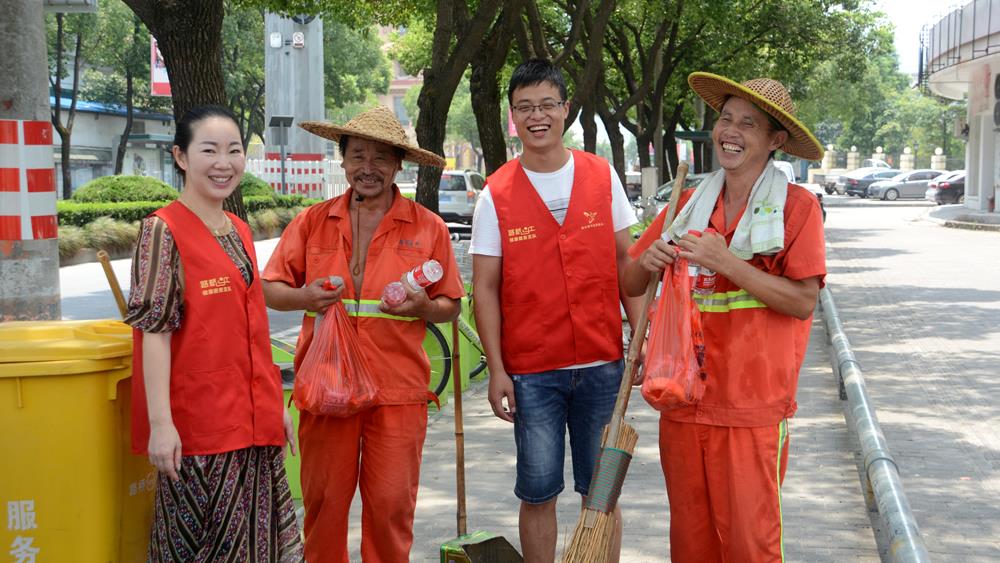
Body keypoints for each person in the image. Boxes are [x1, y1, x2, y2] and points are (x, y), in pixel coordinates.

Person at [623, 73, 827, 562]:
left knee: (749, 545)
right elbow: (629, 282)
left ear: (776, 140)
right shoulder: (688, 205)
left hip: (752, 410)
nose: (730, 131)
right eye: (726, 119)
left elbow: (802, 301)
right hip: (682, 402)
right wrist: (646, 261)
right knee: (690, 545)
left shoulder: (798, 209)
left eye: (749, 124)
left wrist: (726, 262)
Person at [261, 105, 464, 562]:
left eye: (380, 158)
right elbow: (270, 288)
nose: (367, 168)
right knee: (324, 504)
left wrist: (424, 306)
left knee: (391, 506)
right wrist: (305, 298)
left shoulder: (427, 227)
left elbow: (451, 305)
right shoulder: (313, 222)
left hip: (398, 390)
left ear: (398, 165)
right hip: (326, 387)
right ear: (343, 160)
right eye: (357, 156)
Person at [470, 58, 641, 562]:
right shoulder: (495, 194)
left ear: (566, 109)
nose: (537, 116)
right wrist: (497, 369)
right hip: (532, 373)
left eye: (547, 104)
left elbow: (626, 263)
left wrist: (641, 337)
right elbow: (484, 288)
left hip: (602, 366)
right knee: (538, 491)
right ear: (512, 117)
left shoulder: (600, 176)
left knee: (601, 494)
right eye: (525, 108)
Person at [125, 105, 303, 561]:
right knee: (201, 549)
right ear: (181, 157)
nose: (224, 163)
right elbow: (155, 334)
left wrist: (273, 406)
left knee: (257, 549)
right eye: (209, 150)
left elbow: (251, 332)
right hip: (200, 432)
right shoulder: (161, 230)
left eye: (234, 150)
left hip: (252, 428)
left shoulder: (239, 230)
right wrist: (162, 425)